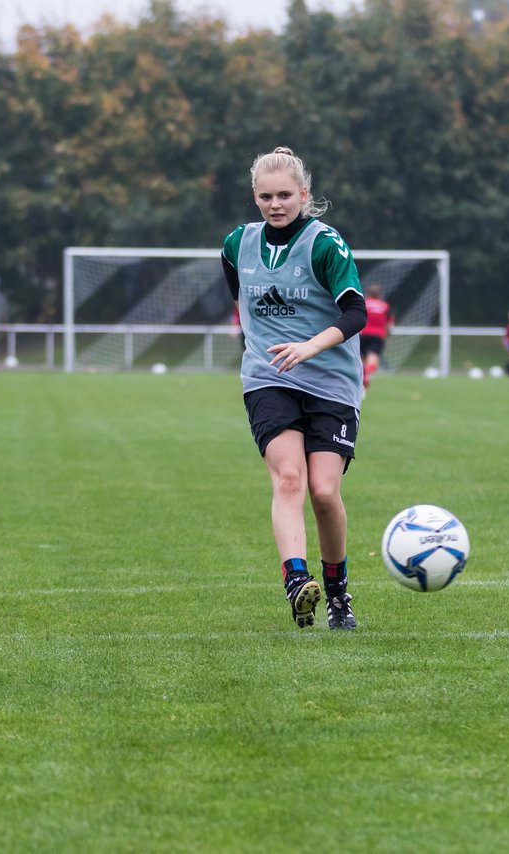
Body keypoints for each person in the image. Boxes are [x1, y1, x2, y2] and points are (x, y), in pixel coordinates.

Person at [221, 146, 366, 630]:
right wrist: (263, 351)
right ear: (255, 197)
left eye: (285, 194)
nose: (276, 204)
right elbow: (240, 300)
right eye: (266, 196)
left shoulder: (325, 244)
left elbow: (355, 314)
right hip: (269, 379)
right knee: (289, 480)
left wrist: (308, 347)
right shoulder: (236, 244)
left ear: (304, 194)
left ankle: (338, 595)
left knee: (324, 492)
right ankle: (296, 580)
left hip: (331, 381)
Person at [359, 285, 394, 391]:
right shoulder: (385, 306)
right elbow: (390, 325)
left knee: (362, 358)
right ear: (379, 294)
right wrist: (388, 334)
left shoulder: (364, 303)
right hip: (377, 335)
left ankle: (363, 375)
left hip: (363, 333)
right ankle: (367, 374)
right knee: (373, 358)